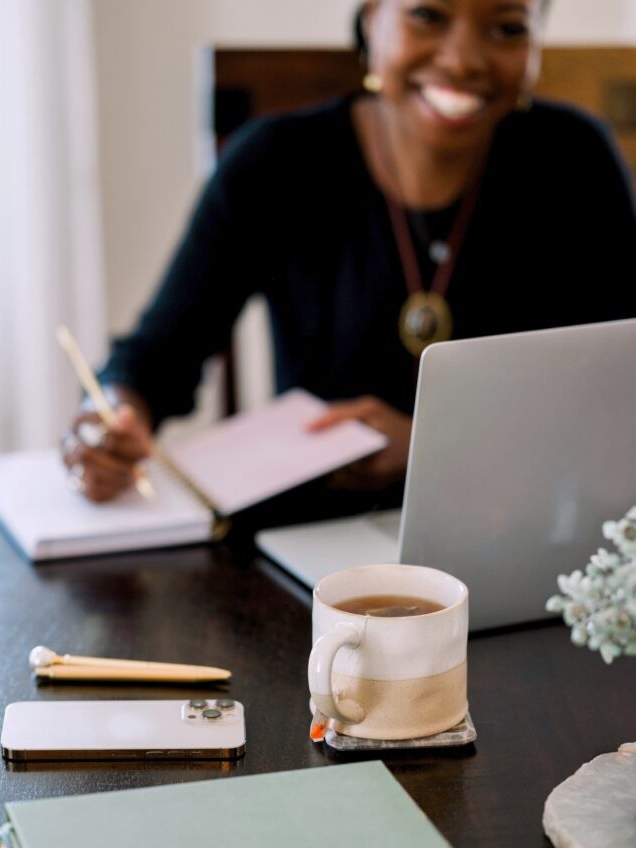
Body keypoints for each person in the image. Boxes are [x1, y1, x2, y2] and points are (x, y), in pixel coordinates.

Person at [63, 0, 635, 510]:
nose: (464, 60)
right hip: (309, 542)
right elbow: (157, 357)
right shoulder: (272, 164)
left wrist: (432, 447)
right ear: (370, 20)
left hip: (513, 523)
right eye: (428, 15)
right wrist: (113, 416)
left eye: (507, 27)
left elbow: (619, 388)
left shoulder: (576, 162)